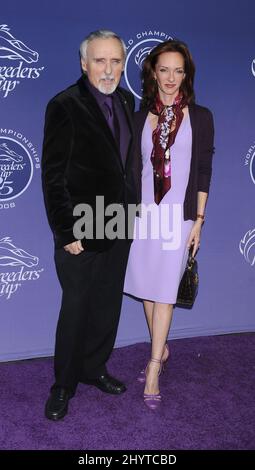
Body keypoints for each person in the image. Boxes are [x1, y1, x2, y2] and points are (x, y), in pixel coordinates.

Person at [41, 30, 140, 420]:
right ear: (84, 64)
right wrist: (66, 232)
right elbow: (53, 175)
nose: (109, 69)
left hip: (119, 220)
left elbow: (123, 165)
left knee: (107, 302)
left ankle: (94, 367)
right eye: (100, 60)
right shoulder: (64, 105)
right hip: (81, 225)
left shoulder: (127, 99)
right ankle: (63, 384)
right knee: (76, 307)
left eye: (116, 60)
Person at [124, 39, 214, 409]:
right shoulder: (138, 116)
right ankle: (162, 349)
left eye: (179, 70)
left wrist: (199, 221)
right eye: (164, 69)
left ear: (186, 74)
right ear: (153, 73)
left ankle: (154, 364)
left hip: (179, 215)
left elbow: (204, 170)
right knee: (147, 288)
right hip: (144, 215)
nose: (171, 77)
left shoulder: (201, 116)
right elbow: (133, 169)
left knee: (164, 292)